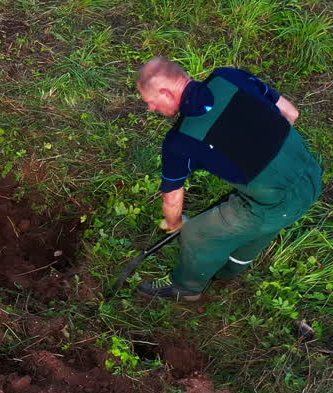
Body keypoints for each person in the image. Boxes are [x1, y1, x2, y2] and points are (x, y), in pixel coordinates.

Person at [134, 57, 322, 301]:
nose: (151, 109)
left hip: (278, 204)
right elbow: (291, 113)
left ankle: (186, 288)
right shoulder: (228, 77)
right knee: (259, 222)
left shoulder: (180, 142)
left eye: (151, 102)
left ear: (166, 92)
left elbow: (172, 198)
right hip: (311, 170)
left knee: (196, 234)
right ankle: (230, 270)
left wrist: (175, 224)